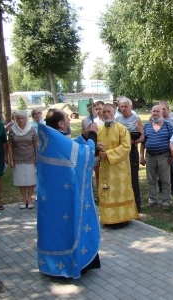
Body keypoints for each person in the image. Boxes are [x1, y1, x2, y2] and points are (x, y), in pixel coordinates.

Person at [37, 109, 100, 278]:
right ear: (61, 124)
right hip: (65, 199)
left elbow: (71, 147)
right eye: (67, 119)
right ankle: (70, 265)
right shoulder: (57, 139)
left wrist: (84, 136)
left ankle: (51, 265)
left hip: (51, 199)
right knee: (69, 228)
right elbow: (83, 154)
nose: (69, 121)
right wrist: (93, 135)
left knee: (53, 229)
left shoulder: (49, 139)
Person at [97, 103, 139, 227]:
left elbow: (126, 148)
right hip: (105, 169)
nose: (106, 114)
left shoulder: (121, 129)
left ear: (114, 113)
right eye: (104, 112)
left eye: (108, 111)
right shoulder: (99, 130)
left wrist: (108, 154)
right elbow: (94, 146)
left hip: (119, 169)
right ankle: (108, 218)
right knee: (107, 192)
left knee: (119, 193)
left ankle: (122, 218)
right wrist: (96, 148)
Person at [140, 105, 173, 209]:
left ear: (162, 113)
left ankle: (166, 201)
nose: (155, 113)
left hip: (164, 155)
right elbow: (143, 143)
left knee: (165, 180)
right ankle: (153, 200)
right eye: (153, 111)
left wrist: (171, 156)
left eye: (157, 111)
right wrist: (141, 155)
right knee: (151, 179)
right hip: (150, 156)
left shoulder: (169, 126)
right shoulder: (147, 126)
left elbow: (172, 142)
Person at [116, 97, 145, 212]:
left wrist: (132, 141)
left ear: (131, 107)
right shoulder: (117, 120)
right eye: (121, 107)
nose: (123, 109)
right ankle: (124, 202)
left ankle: (137, 203)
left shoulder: (136, 119)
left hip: (132, 150)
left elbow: (142, 137)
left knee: (133, 177)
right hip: (120, 151)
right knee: (122, 177)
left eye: (126, 106)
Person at [8, 111, 37, 209]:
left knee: (30, 180)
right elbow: (10, 146)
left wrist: (36, 157)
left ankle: (30, 199)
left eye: (23, 118)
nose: (21, 120)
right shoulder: (12, 130)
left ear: (26, 119)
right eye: (18, 118)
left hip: (30, 157)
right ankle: (24, 199)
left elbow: (35, 144)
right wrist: (11, 159)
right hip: (18, 158)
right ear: (15, 119)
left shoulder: (32, 130)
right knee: (21, 180)